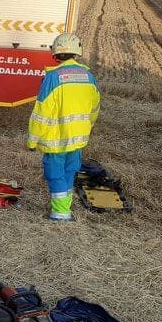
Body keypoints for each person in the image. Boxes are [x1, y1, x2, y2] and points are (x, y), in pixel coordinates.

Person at [27, 33, 101, 221]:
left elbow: (42, 113)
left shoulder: (53, 78)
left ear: (55, 54)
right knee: (70, 171)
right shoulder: (89, 76)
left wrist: (32, 139)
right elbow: (94, 109)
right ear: (77, 52)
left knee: (55, 174)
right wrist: (86, 127)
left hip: (56, 139)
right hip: (78, 138)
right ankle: (64, 208)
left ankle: (60, 213)